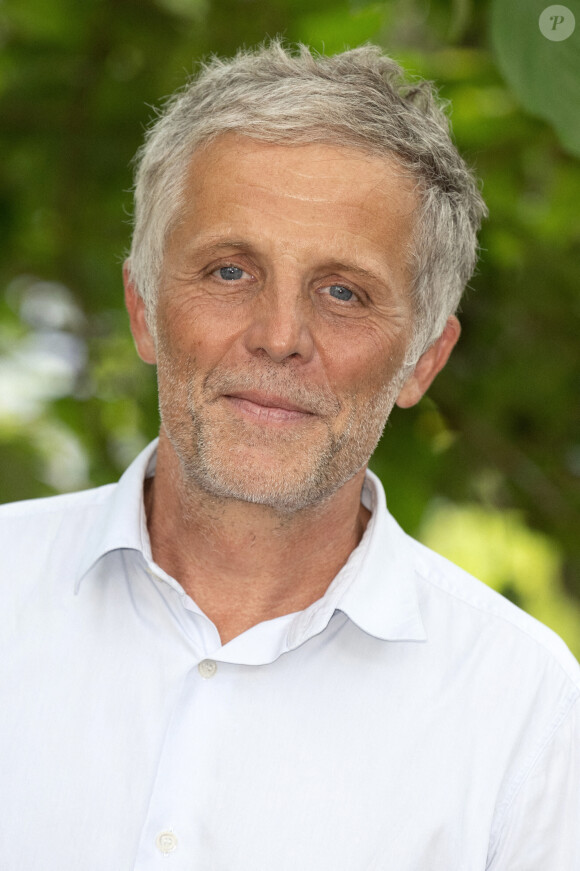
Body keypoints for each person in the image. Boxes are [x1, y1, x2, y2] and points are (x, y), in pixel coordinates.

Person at [1, 40, 578, 871]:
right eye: (230, 270)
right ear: (143, 310)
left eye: (343, 291)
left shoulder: (528, 710)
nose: (278, 338)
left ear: (423, 359)